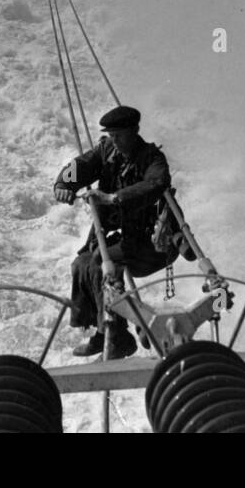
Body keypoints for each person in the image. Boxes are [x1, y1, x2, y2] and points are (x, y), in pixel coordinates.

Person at [53, 106, 180, 360]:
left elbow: (155, 185)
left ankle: (119, 337)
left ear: (134, 131)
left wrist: (112, 198)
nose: (114, 141)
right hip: (121, 239)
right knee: (81, 263)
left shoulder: (153, 159)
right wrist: (62, 184)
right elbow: (77, 167)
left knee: (102, 261)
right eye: (110, 135)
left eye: (119, 135)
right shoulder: (107, 150)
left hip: (150, 245)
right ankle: (103, 334)